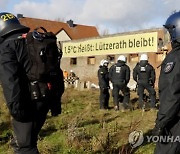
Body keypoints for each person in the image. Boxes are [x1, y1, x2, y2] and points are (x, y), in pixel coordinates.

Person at [0, 12, 63, 154]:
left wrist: (16, 109)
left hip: (26, 102)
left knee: (26, 148)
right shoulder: (34, 41)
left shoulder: (7, 47)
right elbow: (56, 71)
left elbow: (10, 81)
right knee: (24, 141)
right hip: (45, 97)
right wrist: (55, 102)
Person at [154, 11, 180, 154]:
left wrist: (161, 124)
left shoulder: (175, 58)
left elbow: (171, 95)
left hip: (175, 122)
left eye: (170, 32)